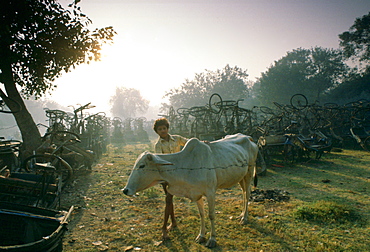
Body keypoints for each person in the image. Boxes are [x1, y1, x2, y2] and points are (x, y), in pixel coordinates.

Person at [153, 117, 188, 240]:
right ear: (157, 131)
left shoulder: (177, 139)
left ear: (167, 128)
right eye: (160, 129)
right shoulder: (158, 145)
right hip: (166, 175)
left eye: (164, 128)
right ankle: (164, 228)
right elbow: (159, 161)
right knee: (168, 199)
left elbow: (189, 143)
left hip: (179, 172)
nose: (162, 131)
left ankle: (173, 222)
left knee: (169, 199)